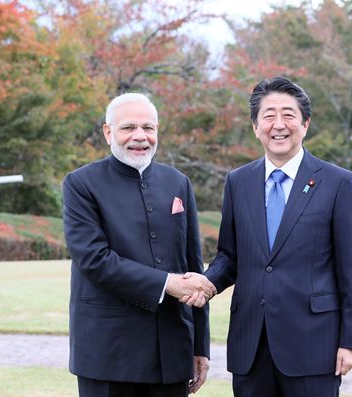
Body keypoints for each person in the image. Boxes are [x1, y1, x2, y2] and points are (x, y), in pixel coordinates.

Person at [190, 76, 352, 396]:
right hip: (251, 345)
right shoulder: (238, 181)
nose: (278, 124)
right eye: (268, 115)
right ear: (256, 127)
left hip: (314, 345)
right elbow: (230, 255)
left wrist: (351, 341)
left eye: (288, 114)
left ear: (306, 123)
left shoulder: (338, 182)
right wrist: (207, 283)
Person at [63, 92, 216, 397]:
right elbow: (95, 260)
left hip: (171, 351)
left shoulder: (178, 183)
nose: (140, 136)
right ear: (108, 133)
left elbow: (192, 266)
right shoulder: (81, 184)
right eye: (128, 127)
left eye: (148, 128)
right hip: (108, 353)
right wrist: (167, 283)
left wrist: (200, 346)